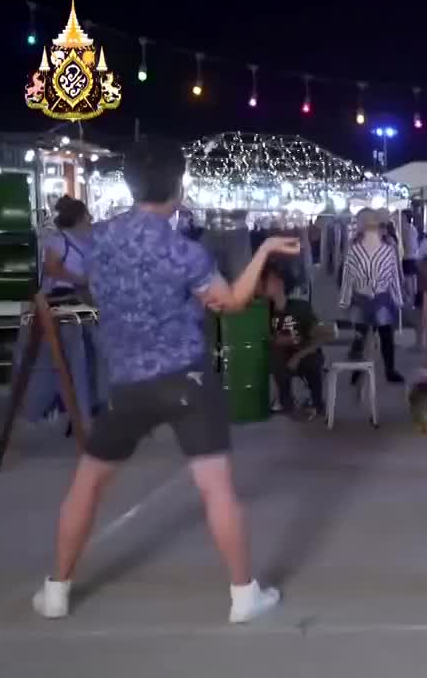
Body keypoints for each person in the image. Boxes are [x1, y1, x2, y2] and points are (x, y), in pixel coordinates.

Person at [33, 139, 298, 623]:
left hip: (127, 382)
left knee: (87, 485)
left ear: (131, 184)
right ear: (179, 186)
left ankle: (56, 590)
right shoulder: (184, 252)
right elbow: (233, 302)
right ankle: (244, 596)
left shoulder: (101, 240)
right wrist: (262, 251)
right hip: (186, 379)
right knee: (217, 489)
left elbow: (84, 278)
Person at [339, 208, 405, 383]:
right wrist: (346, 298)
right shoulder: (353, 245)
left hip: (382, 295)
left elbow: (395, 271)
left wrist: (398, 294)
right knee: (360, 334)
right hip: (360, 295)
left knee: (386, 334)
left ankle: (389, 369)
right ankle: (358, 369)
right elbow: (347, 273)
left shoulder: (388, 243)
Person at [261, 261, 329, 421]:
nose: (263, 285)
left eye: (267, 280)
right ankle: (287, 403)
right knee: (276, 354)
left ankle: (317, 402)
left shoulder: (300, 308)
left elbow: (324, 335)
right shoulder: (263, 311)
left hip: (304, 356)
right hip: (281, 359)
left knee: (312, 359)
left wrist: (298, 355)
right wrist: (277, 341)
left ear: (279, 282)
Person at [42, 196, 93, 303]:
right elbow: (51, 269)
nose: (91, 217)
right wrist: (81, 280)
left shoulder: (85, 239)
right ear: (79, 218)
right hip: (62, 295)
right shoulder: (58, 240)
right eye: (87, 214)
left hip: (81, 294)